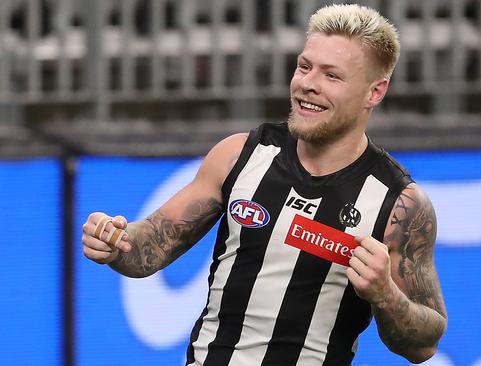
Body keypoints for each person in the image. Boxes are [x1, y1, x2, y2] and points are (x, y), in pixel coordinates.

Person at [81, 4, 447, 365]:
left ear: (375, 92)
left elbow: (423, 345)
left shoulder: (399, 202)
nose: (308, 84)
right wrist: (115, 242)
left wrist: (385, 294)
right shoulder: (239, 154)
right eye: (304, 67)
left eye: (331, 76)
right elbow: (151, 248)